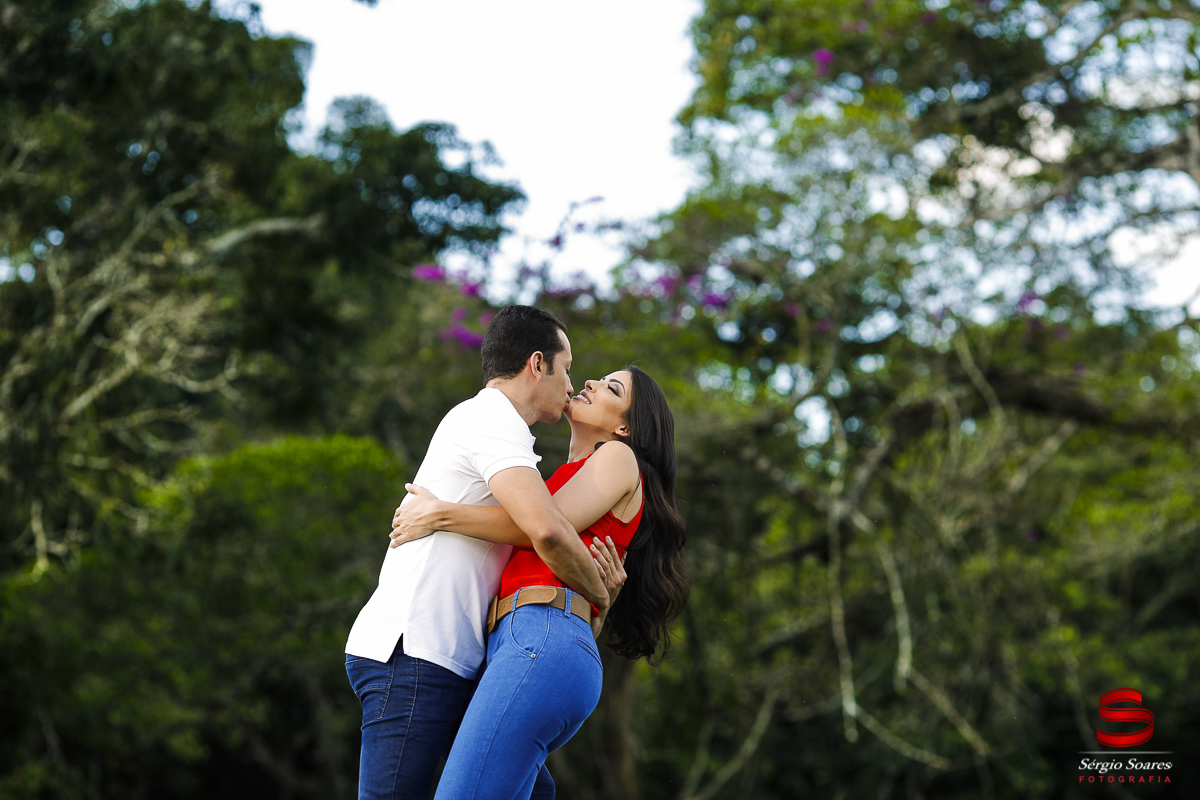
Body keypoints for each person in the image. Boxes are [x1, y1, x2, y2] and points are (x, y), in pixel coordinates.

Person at [344, 305, 612, 800]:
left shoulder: (498, 427)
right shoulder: (491, 417)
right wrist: (599, 594)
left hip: (452, 662)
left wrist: (443, 512)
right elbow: (547, 531)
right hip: (415, 653)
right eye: (567, 368)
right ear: (538, 364)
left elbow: (524, 526)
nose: (572, 384)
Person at [390, 365, 689, 800]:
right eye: (597, 378)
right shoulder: (558, 480)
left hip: (540, 640)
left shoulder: (619, 457)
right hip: (522, 643)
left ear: (625, 426)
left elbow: (549, 528)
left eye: (612, 388)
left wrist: (441, 513)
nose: (589, 382)